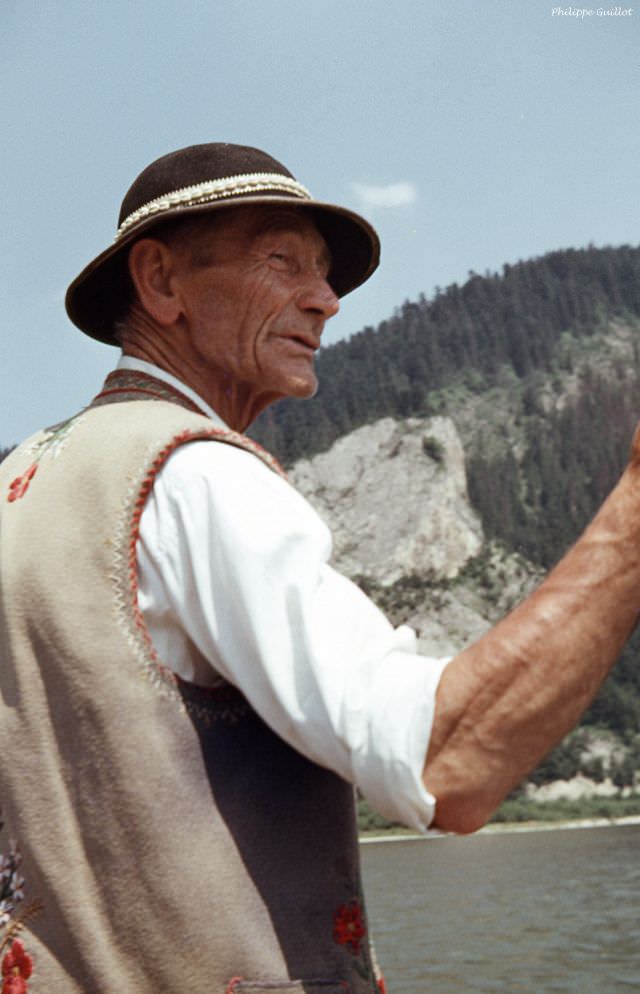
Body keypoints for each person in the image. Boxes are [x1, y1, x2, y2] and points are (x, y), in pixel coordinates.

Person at [1, 142, 639, 994]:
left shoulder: (19, 482)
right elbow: (446, 763)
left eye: (326, 273)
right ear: (160, 284)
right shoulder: (197, 475)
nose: (327, 301)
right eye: (282, 261)